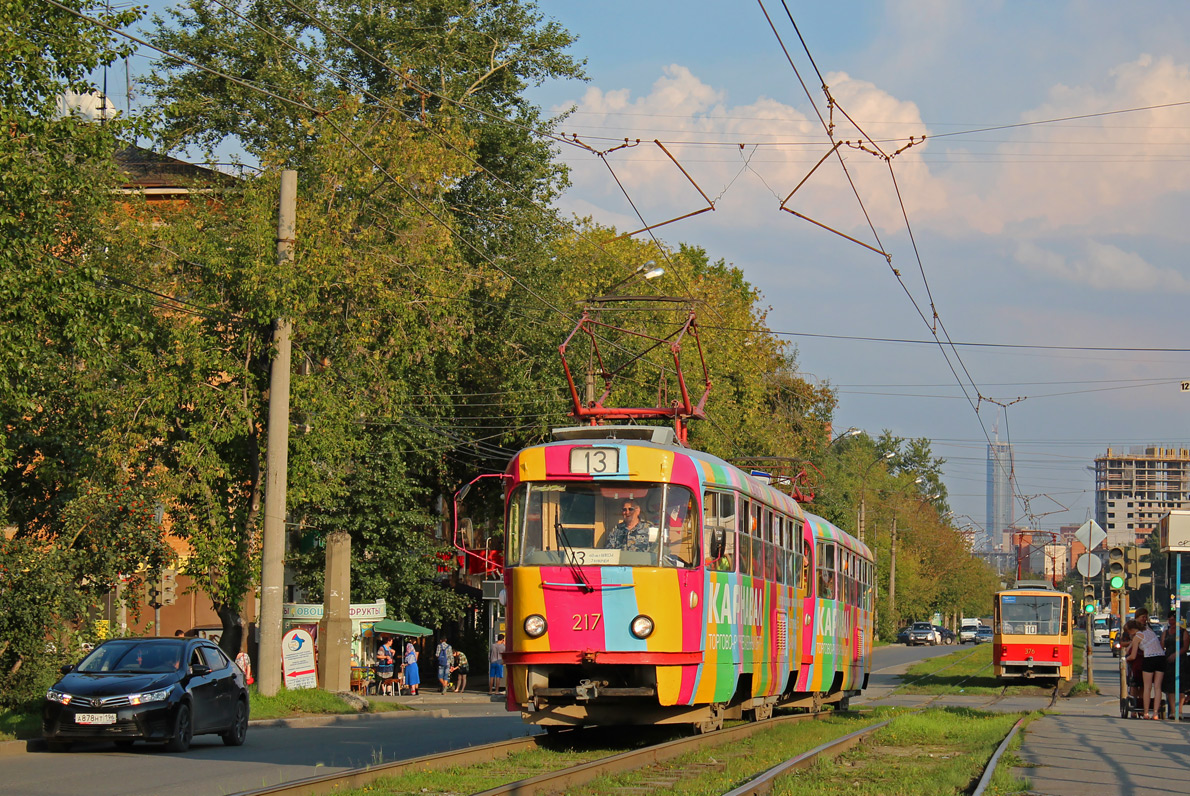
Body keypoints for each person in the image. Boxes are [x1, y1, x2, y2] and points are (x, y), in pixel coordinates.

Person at [1126, 608, 1165, 719]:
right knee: (1157, 687)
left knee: (1147, 687)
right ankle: (1156, 714)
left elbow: (1133, 656)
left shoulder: (1137, 636)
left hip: (1149, 659)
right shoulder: (1150, 631)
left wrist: (1126, 658)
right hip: (1161, 658)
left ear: (1132, 630)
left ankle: (1146, 712)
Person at [1161, 610, 1189, 720]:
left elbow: (1185, 647)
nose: (1171, 622)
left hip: (1181, 661)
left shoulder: (1183, 632)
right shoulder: (1166, 632)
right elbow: (1162, 645)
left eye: (1173, 620)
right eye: (1170, 620)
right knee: (1170, 688)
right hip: (1168, 661)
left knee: (1181, 687)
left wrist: (1176, 654)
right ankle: (1173, 711)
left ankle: (1179, 711)